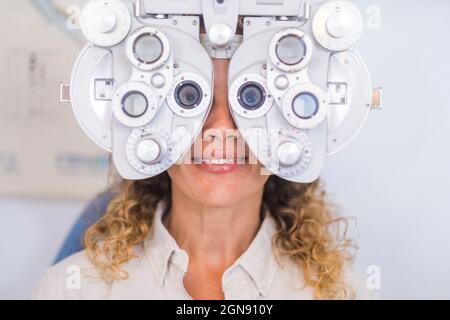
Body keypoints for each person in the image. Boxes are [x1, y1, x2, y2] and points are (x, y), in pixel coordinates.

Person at [33, 58, 370, 300]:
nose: (222, 129)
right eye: (190, 99)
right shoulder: (71, 289)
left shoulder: (341, 293)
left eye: (251, 100)